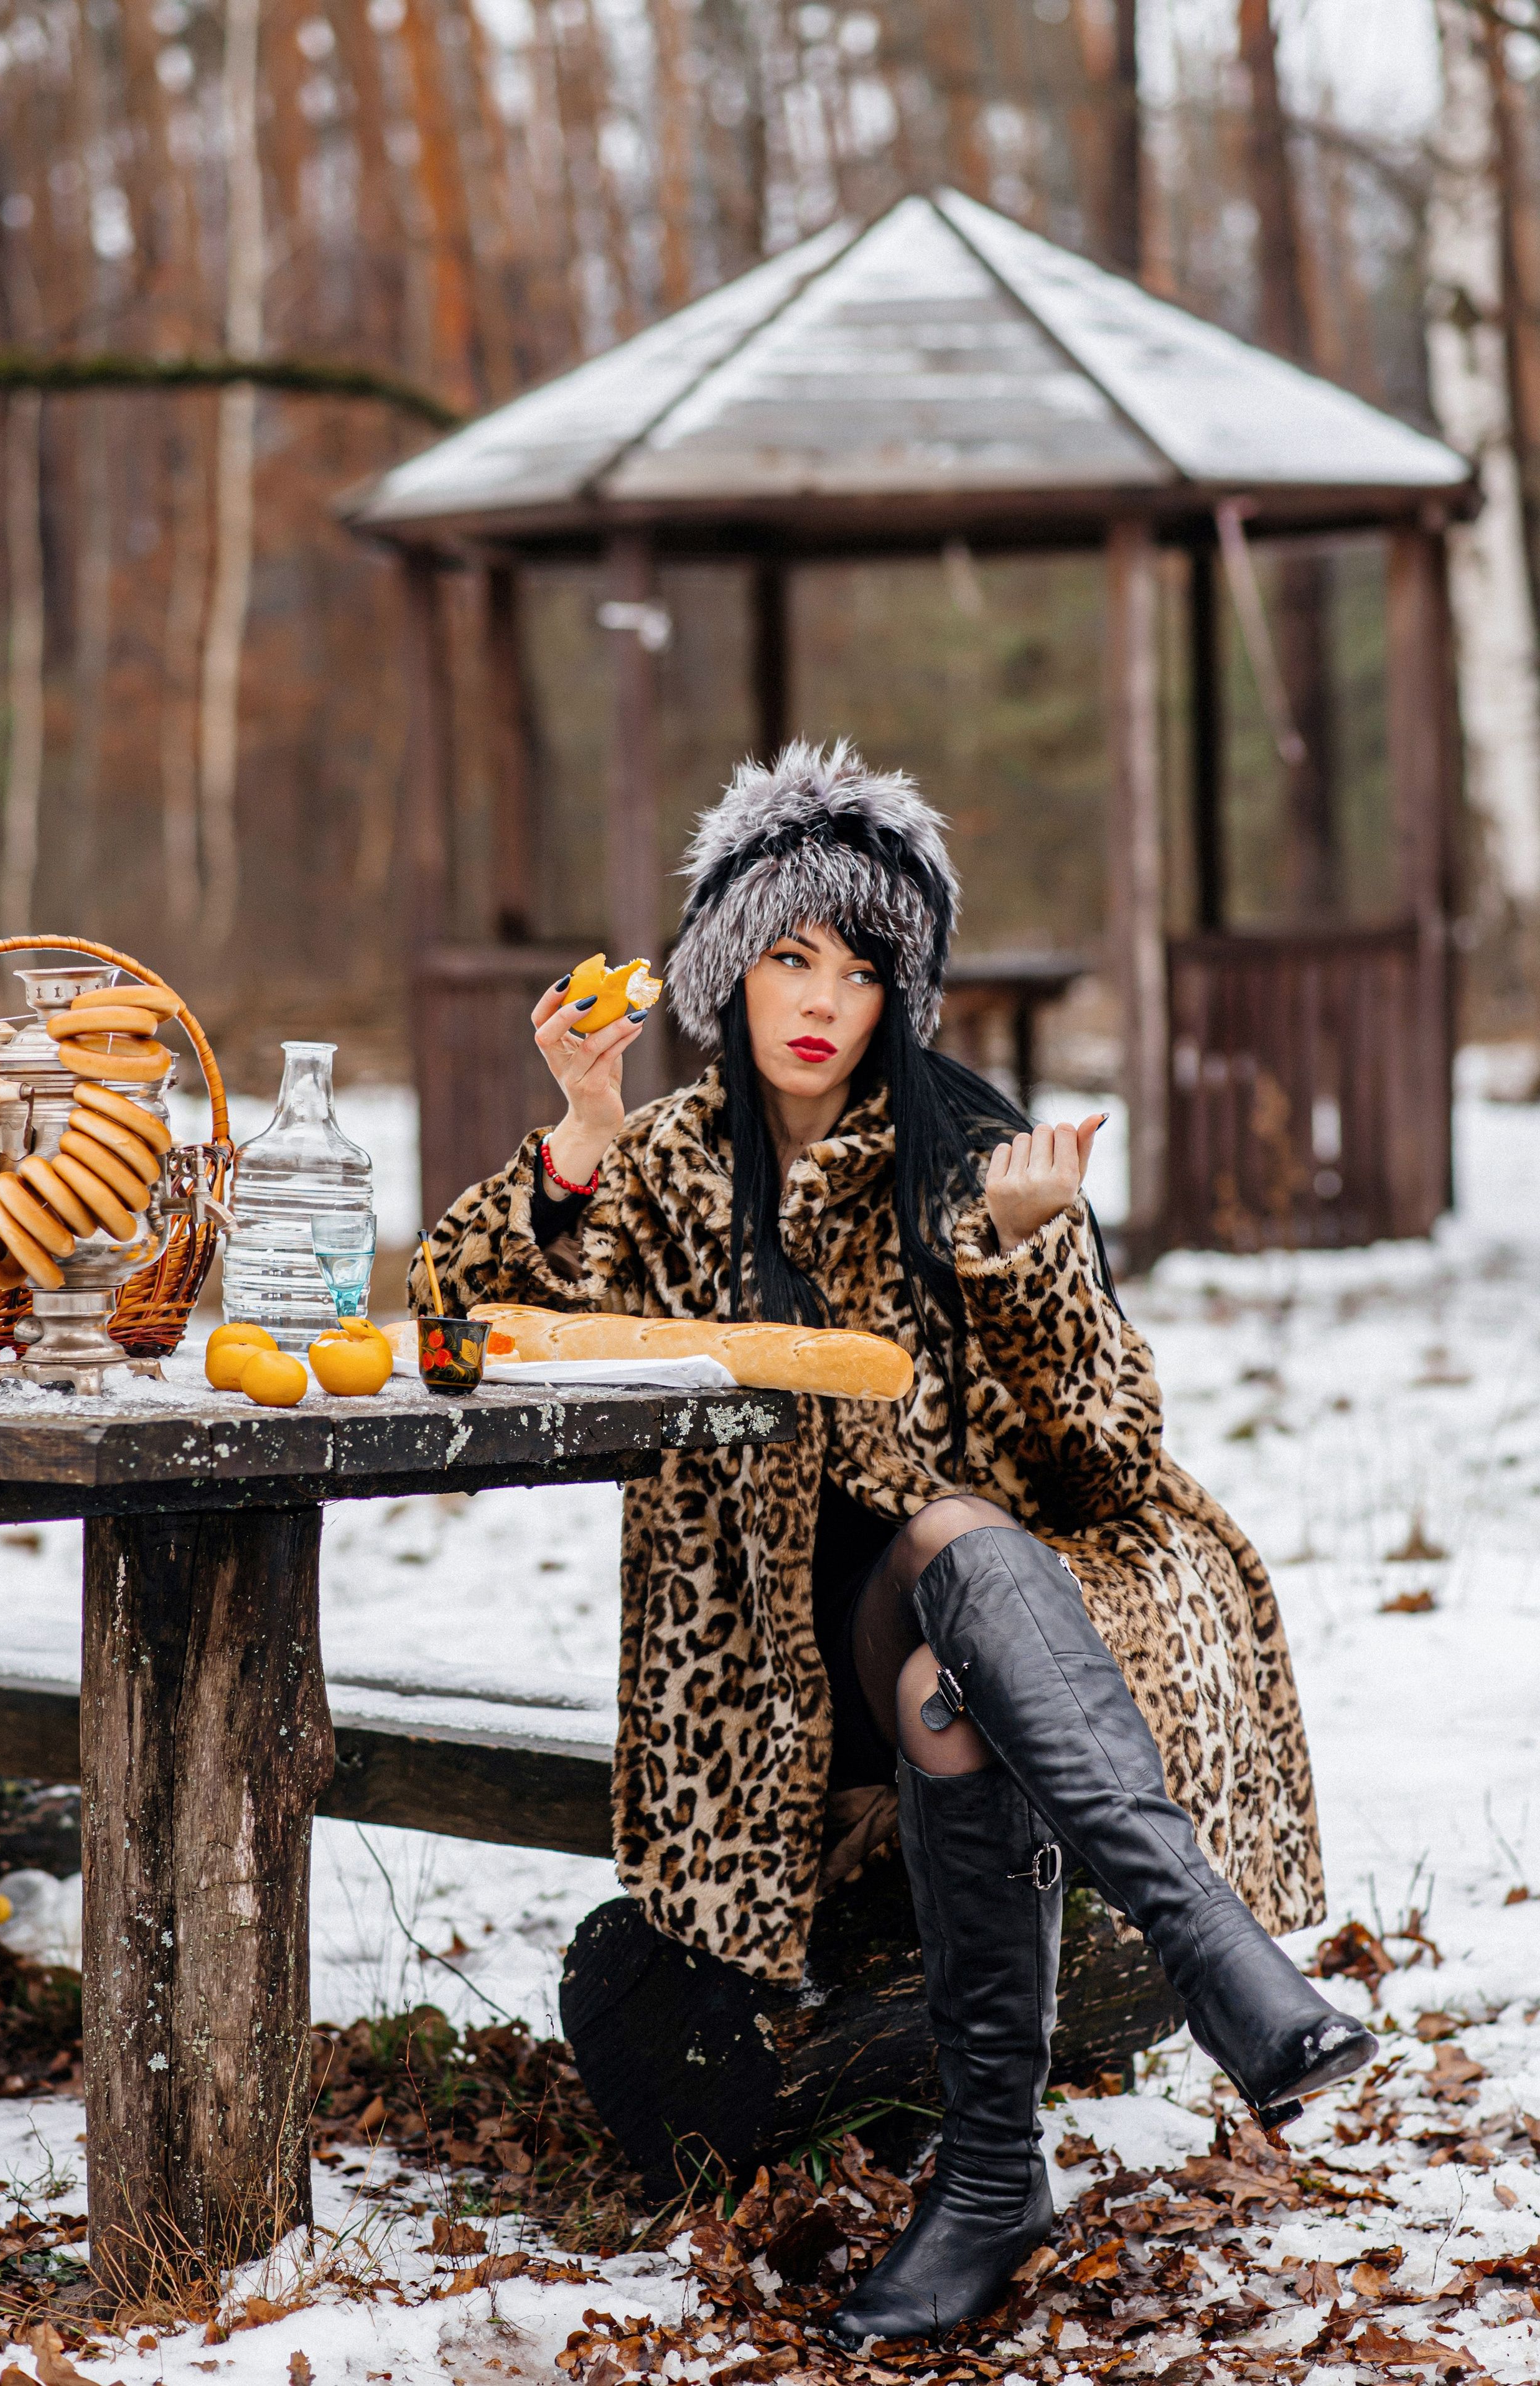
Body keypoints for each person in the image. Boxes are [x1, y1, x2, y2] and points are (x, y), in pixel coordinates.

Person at [413, 742, 1373, 2345]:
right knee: (928, 1654)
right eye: (791, 956)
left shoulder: (967, 1148)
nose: (821, 1002)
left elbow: (1111, 1457)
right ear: (732, 965)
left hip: (991, 1639)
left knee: (945, 1620)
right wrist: (578, 1130)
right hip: (766, 1687)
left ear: (897, 995)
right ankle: (1213, 1964)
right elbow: (461, 1320)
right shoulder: (666, 1167)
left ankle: (1008, 2161)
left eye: (861, 971)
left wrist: (1025, 1257)